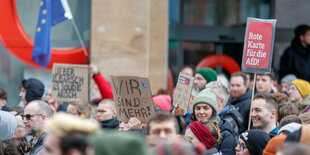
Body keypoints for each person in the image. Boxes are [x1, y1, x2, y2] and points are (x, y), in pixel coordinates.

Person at [191, 88, 236, 155]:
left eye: (206, 108)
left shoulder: (225, 134)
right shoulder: (190, 130)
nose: (201, 112)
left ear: (213, 111)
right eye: (198, 108)